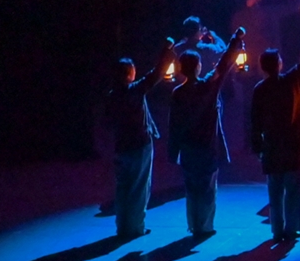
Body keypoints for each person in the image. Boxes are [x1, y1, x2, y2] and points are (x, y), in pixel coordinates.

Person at [250, 23, 300, 243]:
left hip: (272, 149)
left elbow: (255, 122)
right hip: (294, 146)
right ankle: (293, 228)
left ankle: (277, 230)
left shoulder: (259, 90)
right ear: (280, 64)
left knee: (275, 192)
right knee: (294, 190)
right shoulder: (293, 81)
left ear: (262, 67)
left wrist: (257, 147)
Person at [167, 26, 246, 238]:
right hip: (208, 147)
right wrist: (236, 39)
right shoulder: (208, 87)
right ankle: (205, 226)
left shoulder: (177, 93)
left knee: (191, 188)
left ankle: (194, 225)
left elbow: (173, 124)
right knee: (208, 188)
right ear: (198, 67)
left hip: (188, 149)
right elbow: (224, 64)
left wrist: (173, 152)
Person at [105, 45, 171, 240]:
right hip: (140, 145)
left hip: (121, 147)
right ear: (129, 74)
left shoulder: (112, 95)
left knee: (123, 188)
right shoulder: (134, 90)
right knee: (139, 187)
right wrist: (167, 51)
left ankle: (122, 227)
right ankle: (136, 227)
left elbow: (108, 122)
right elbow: (156, 74)